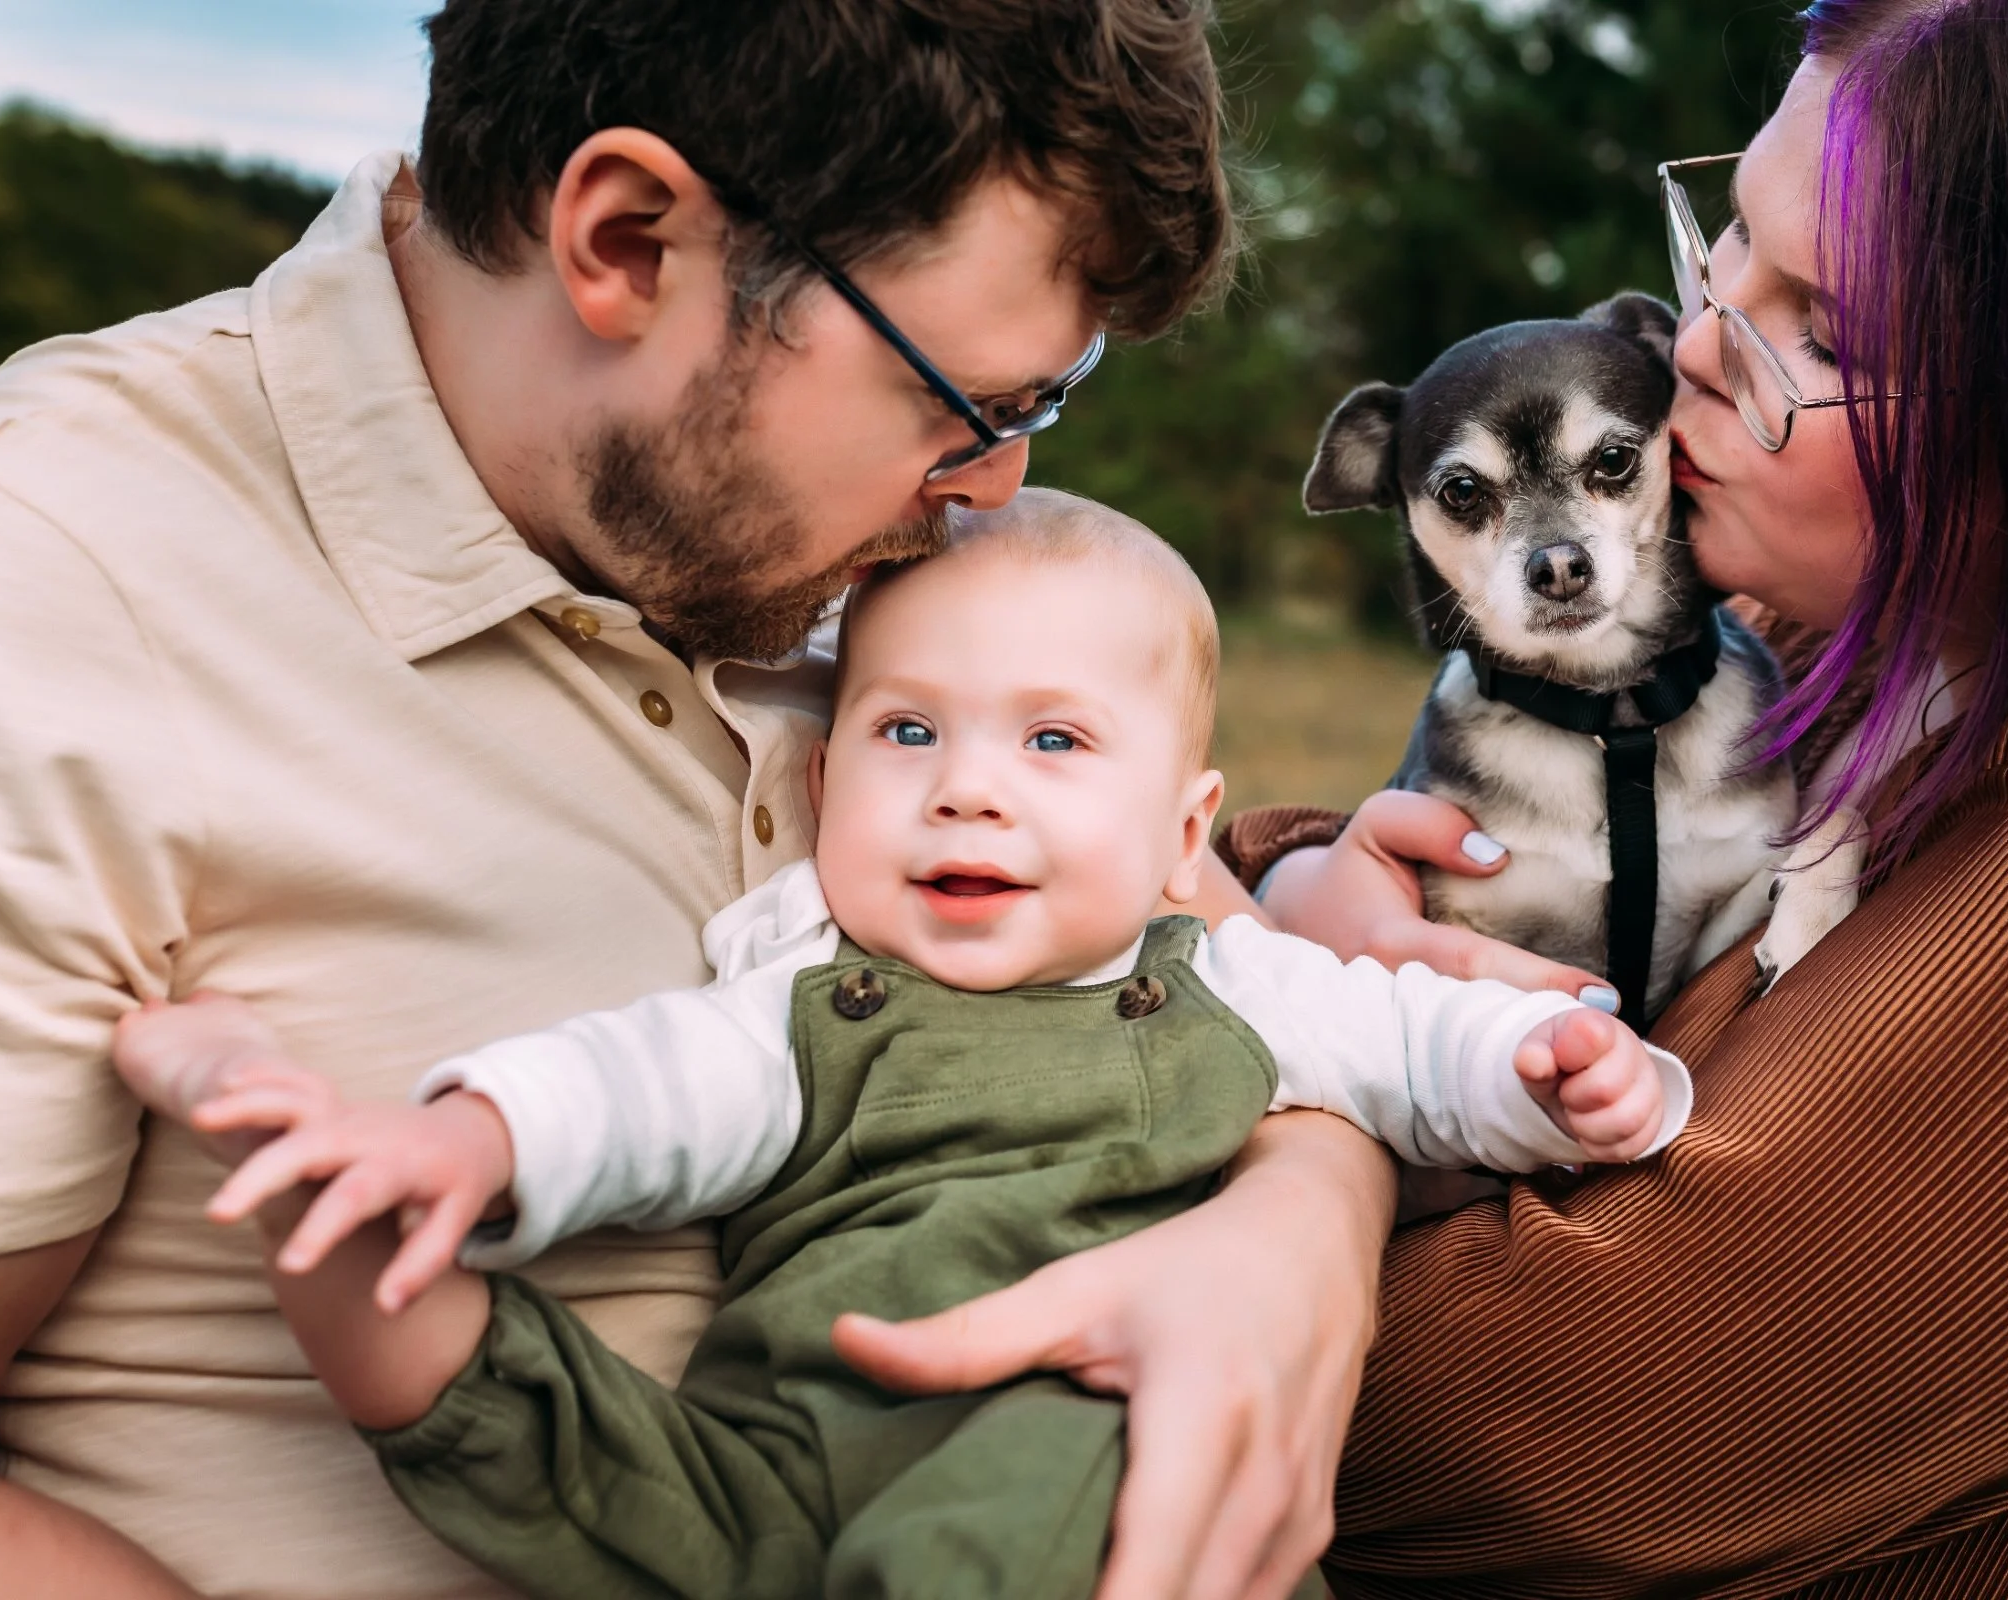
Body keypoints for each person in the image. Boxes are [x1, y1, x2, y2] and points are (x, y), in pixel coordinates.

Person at [824, 0, 2008, 1594]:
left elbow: (1543, 1444)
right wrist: (1299, 893)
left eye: (1821, 335)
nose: (1694, 349)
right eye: (1724, 247)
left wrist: (1294, 1142)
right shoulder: (1806, 641)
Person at [0, 4, 1270, 1596]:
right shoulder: (37, 577)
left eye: (1039, 409)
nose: (991, 489)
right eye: (968, 403)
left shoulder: (839, 557)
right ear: (630, 240)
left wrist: (1299, 1241)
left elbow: (1223, 984)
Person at [105, 493, 1685, 1600]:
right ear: (824, 782)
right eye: (907, 730)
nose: (967, 789)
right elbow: (647, 1086)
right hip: (768, 1474)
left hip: (1066, 1449)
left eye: (1054, 742)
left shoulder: (1222, 982)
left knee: (1036, 1522)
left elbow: (1407, 1044)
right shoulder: (806, 993)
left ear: (1181, 830)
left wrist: (1551, 1068)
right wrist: (462, 1143)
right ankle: (295, 1151)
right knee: (475, 1397)